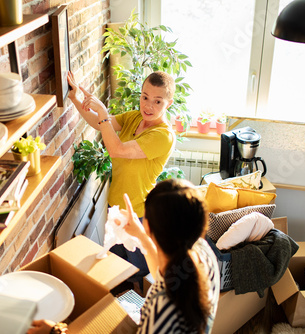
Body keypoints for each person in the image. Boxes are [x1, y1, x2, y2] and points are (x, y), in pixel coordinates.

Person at [28, 179, 220, 334]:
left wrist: (55, 331)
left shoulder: (160, 310)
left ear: (149, 226)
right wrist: (140, 235)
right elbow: (164, 275)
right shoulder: (202, 252)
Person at [67, 71, 176, 286]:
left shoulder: (163, 136)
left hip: (139, 214)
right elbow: (99, 124)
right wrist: (75, 98)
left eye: (157, 101)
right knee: (117, 268)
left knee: (138, 273)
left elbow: (117, 149)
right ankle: (117, 310)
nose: (148, 106)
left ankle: (139, 313)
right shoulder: (134, 117)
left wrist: (103, 112)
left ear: (169, 103)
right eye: (145, 97)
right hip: (115, 207)